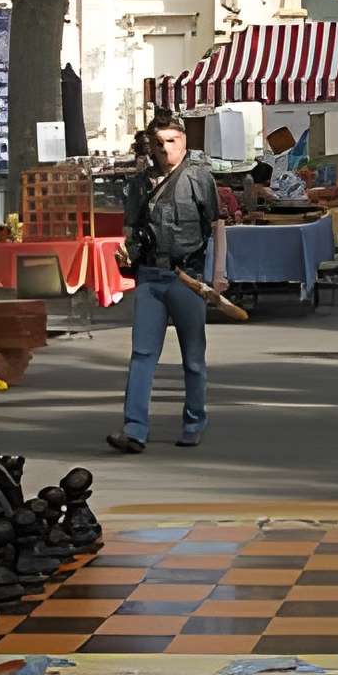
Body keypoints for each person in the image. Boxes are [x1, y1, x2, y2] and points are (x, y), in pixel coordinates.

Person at [108, 109, 228, 454]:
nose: (165, 150)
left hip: (187, 276)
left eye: (172, 142)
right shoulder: (138, 183)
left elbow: (217, 225)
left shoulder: (198, 177)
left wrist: (219, 273)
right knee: (142, 354)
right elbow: (130, 229)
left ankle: (194, 421)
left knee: (193, 356)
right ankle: (134, 429)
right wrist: (127, 252)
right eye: (159, 143)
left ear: (184, 142)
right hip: (149, 276)